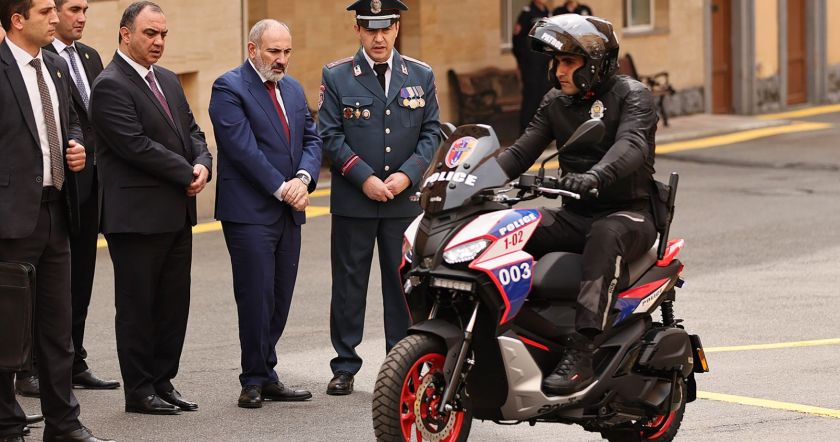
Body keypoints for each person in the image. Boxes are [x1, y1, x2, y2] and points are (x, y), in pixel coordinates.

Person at [497, 14, 659, 396]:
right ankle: (518, 330)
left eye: (569, 62)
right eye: (557, 62)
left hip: (629, 215)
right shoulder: (555, 101)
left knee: (605, 234)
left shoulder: (633, 96)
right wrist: (466, 181)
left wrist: (595, 176)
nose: (559, 71)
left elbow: (631, 145)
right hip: (576, 214)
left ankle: (583, 352)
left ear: (596, 62)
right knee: (511, 227)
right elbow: (520, 152)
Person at [89, 1, 212, 415]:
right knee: (138, 307)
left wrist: (203, 163)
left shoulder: (169, 80)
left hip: (175, 214)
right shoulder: (109, 85)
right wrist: (186, 171)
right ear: (125, 34)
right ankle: (139, 390)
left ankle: (163, 381)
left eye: (163, 34)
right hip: (136, 220)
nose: (158, 41)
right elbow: (135, 145)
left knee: (173, 306)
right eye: (150, 33)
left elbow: (193, 131)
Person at [0, 0, 113, 440]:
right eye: (45, 10)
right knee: (8, 330)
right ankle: (7, 423)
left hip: (57, 213)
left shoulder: (55, 66)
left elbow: (72, 123)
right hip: (10, 220)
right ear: (17, 19)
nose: (55, 18)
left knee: (57, 328)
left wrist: (75, 145)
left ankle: (63, 424)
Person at [319, 0, 440, 396]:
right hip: (355, 200)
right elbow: (330, 135)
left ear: (397, 28)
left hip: (403, 202)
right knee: (348, 285)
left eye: (386, 28)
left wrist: (407, 175)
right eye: (370, 29)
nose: (379, 37)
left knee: (402, 287)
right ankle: (344, 365)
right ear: (357, 29)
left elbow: (431, 133)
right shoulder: (337, 75)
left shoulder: (420, 74)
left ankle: (399, 363)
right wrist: (364, 178)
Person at [209, 19, 321, 409]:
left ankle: (267, 371)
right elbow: (242, 149)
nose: (281, 59)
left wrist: (303, 179)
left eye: (287, 52)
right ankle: (253, 379)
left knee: (280, 297)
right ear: (253, 49)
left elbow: (312, 138)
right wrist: (283, 188)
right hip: (250, 212)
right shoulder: (228, 88)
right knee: (256, 296)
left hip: (289, 211)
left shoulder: (293, 88)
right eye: (274, 51)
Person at [42, 0, 120, 392]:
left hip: (95, 185)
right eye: (74, 9)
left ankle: (75, 360)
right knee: (51, 282)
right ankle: (36, 365)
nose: (82, 17)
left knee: (83, 276)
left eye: (86, 9)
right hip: (61, 188)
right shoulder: (39, 58)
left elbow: (98, 118)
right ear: (54, 13)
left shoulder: (89, 56)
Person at [512, 0, 552, 134]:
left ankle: (540, 132)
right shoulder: (527, 12)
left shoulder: (546, 12)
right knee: (531, 97)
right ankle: (525, 132)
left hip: (543, 62)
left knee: (543, 97)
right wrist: (522, 61)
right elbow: (517, 39)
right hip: (530, 64)